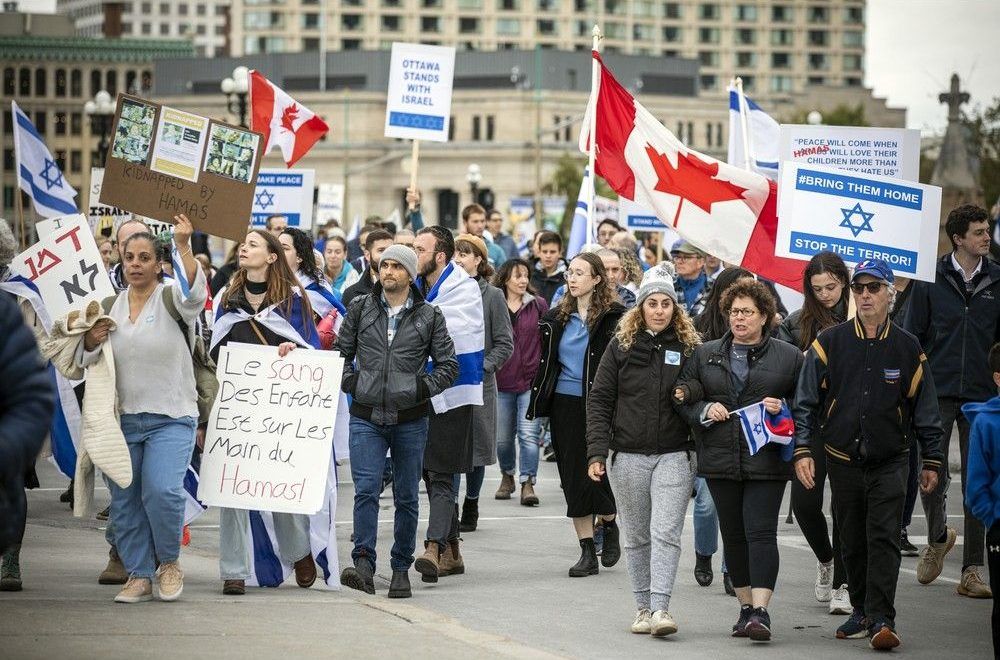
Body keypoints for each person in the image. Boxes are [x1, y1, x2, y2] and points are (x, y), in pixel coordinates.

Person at [793, 258, 944, 650]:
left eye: (873, 288)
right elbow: (806, 402)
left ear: (890, 294)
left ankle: (882, 618)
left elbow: (925, 407)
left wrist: (932, 460)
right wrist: (804, 450)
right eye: (859, 288)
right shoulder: (829, 343)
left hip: (892, 460)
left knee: (884, 538)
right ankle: (859, 610)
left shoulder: (908, 347)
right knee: (852, 540)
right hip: (842, 459)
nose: (864, 295)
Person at [73, 214, 207, 603]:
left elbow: (195, 296)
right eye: (128, 256)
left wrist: (184, 245)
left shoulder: (171, 297)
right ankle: (139, 574)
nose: (135, 263)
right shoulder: (108, 305)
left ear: (157, 262)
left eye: (144, 257)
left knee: (162, 491)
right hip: (122, 420)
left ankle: (168, 563)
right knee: (125, 500)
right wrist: (92, 340)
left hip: (171, 416)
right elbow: (84, 361)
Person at [676, 278, 803, 642]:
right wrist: (704, 408)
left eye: (747, 312)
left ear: (765, 316)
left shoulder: (788, 356)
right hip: (719, 456)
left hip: (766, 458)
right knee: (733, 535)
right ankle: (745, 607)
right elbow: (683, 397)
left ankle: (762, 611)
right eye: (734, 312)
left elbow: (806, 406)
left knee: (761, 532)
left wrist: (785, 408)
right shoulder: (705, 353)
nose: (739, 319)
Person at [586, 263, 701, 637]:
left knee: (666, 531)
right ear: (641, 307)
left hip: (674, 454)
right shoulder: (620, 347)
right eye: (652, 303)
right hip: (628, 455)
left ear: (674, 308)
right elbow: (600, 399)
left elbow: (704, 387)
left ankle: (662, 608)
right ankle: (642, 607)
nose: (659, 310)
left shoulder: (688, 347)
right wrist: (596, 453)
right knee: (637, 536)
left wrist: (691, 392)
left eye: (665, 303)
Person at [336, 244, 458, 598]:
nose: (387, 271)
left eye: (395, 266)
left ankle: (401, 568)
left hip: (410, 419)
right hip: (366, 417)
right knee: (366, 491)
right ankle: (363, 563)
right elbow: (341, 355)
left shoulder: (429, 315)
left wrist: (420, 388)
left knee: (406, 496)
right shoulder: (360, 308)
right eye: (383, 265)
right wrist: (355, 383)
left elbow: (449, 365)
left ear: (409, 274)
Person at [210, 229, 321, 596]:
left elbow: (313, 354)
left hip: (279, 411)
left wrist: (295, 352)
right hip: (239, 408)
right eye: (242, 244)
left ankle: (299, 551)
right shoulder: (228, 300)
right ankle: (234, 569)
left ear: (272, 256)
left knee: (279, 486)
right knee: (232, 489)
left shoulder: (293, 302)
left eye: (253, 244)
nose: (243, 248)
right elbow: (214, 354)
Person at [905, 204, 1000, 598]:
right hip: (936, 390)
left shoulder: (997, 278)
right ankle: (938, 536)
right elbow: (911, 336)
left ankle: (972, 569)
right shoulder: (929, 279)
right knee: (932, 474)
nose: (986, 237)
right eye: (978, 232)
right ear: (958, 238)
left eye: (986, 231)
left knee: (979, 480)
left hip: (982, 394)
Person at [527, 252, 626, 577]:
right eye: (570, 272)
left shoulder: (615, 318)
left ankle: (609, 521)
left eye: (580, 273)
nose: (572, 278)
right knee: (571, 476)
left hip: (599, 403)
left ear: (597, 278)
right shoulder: (557, 317)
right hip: (563, 404)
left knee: (594, 470)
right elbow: (544, 361)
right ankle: (586, 551)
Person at [774, 252, 852, 614]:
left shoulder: (861, 317)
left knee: (846, 505)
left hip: (852, 422)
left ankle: (844, 584)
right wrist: (803, 363)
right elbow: (782, 373)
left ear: (844, 281)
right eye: (817, 288)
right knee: (806, 504)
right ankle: (826, 558)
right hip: (811, 421)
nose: (825, 295)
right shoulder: (796, 323)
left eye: (831, 287)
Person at [412, 226, 485, 583]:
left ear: (440, 256)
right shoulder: (413, 290)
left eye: (420, 249)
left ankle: (432, 546)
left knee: (442, 472)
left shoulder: (464, 290)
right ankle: (452, 550)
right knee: (430, 471)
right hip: (418, 391)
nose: (414, 255)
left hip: (453, 392)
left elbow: (457, 332)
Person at [690, 266, 753, 596]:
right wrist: (702, 409)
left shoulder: (764, 330)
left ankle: (733, 569)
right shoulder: (703, 329)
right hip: (712, 429)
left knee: (739, 506)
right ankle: (704, 554)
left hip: (748, 433)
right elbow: (690, 382)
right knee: (706, 503)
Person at [452, 235, 513, 534]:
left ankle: (471, 502)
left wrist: (482, 367)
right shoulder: (441, 292)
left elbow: (505, 343)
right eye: (456, 253)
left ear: (479, 260)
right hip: (446, 382)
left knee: (476, 449)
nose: (459, 259)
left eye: (466, 254)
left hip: (479, 383)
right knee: (447, 448)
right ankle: (447, 506)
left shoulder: (493, 296)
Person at [0, 258, 55, 591]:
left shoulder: (21, 295)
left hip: (7, 419)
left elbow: (43, 340)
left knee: (11, 486)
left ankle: (11, 560)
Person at [493, 259, 548, 504]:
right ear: (505, 279)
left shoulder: (538, 305)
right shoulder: (494, 303)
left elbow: (548, 339)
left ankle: (528, 482)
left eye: (526, 275)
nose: (523, 280)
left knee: (528, 435)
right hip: (501, 380)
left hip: (530, 381)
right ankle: (507, 475)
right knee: (503, 438)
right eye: (517, 276)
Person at [963, 342, 1000, 657]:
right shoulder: (987, 423)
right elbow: (976, 487)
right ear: (998, 378)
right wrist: (994, 519)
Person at [342, 229, 394, 306]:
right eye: (381, 250)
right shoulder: (352, 294)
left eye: (391, 250)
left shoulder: (406, 289)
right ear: (367, 255)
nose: (387, 255)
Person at [671, 240, 712, 317]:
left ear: (700, 262)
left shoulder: (713, 287)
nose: (679, 261)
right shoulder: (669, 285)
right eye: (677, 257)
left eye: (686, 257)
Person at [461, 204, 507, 268]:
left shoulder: (496, 250)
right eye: (475, 221)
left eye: (482, 221)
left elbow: (503, 276)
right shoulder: (455, 248)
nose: (480, 226)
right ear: (465, 223)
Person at [530, 231, 567, 304]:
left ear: (560, 253)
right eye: (544, 251)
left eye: (552, 252)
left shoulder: (568, 277)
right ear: (539, 252)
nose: (548, 256)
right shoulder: (529, 275)